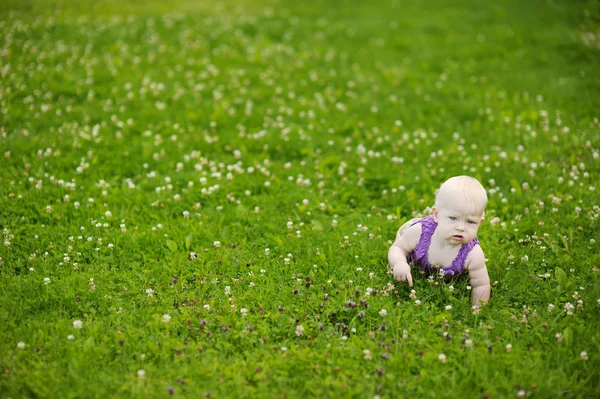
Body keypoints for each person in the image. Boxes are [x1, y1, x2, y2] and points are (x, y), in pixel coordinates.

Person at [388, 176, 491, 306]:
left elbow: (481, 284)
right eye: (453, 218)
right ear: (436, 215)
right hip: (414, 234)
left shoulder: (473, 254)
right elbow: (398, 248)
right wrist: (399, 263)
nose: (461, 227)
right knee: (404, 239)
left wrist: (477, 310)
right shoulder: (420, 233)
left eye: (470, 221)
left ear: (479, 223)